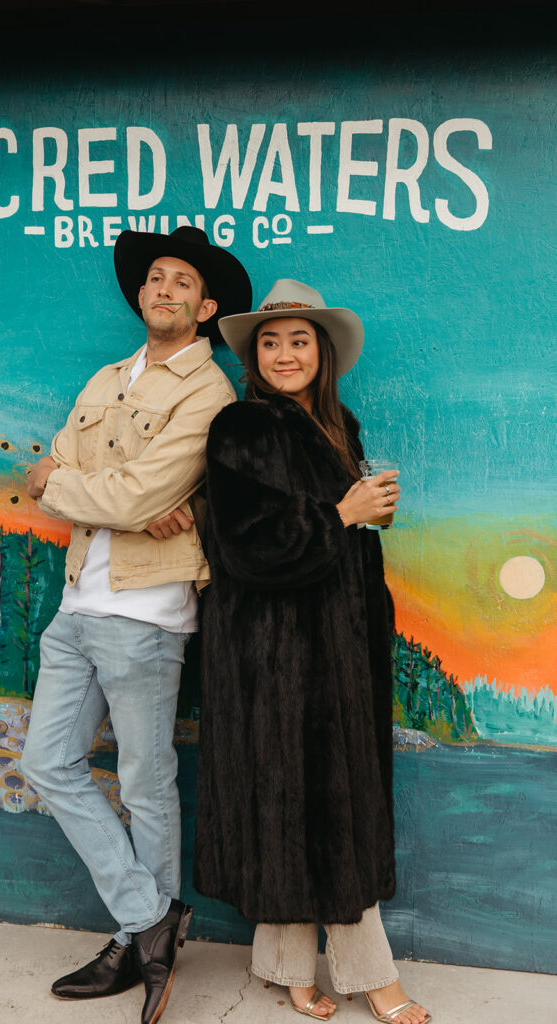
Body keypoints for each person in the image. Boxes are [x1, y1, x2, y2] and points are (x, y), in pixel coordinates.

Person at [21, 226, 251, 1024]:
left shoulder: (206, 392)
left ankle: (140, 940)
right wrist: (113, 497)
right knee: (47, 762)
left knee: (147, 786)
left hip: (146, 617)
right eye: (155, 278)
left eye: (181, 281)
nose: (163, 288)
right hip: (77, 603)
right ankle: (148, 916)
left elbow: (123, 495)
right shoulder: (106, 378)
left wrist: (104, 493)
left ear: (205, 305)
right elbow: (45, 471)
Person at [193, 280, 431, 1024]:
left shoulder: (338, 426)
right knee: (322, 806)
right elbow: (246, 546)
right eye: (270, 342)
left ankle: (284, 965)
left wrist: (359, 521)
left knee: (299, 805)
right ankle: (374, 977)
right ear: (253, 358)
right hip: (273, 656)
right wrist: (341, 514)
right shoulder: (240, 427)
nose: (285, 353)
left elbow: (330, 529)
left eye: (298, 340)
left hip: (333, 651)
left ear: (321, 353)